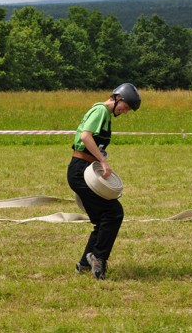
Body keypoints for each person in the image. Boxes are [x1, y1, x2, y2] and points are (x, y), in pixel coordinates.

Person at [67, 83, 141, 280]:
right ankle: (98, 257)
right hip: (80, 170)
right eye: (125, 107)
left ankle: (84, 263)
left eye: (128, 110)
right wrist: (103, 161)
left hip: (84, 170)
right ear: (117, 97)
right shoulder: (101, 110)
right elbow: (85, 136)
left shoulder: (106, 116)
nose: (125, 112)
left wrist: (100, 158)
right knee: (113, 212)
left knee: (102, 219)